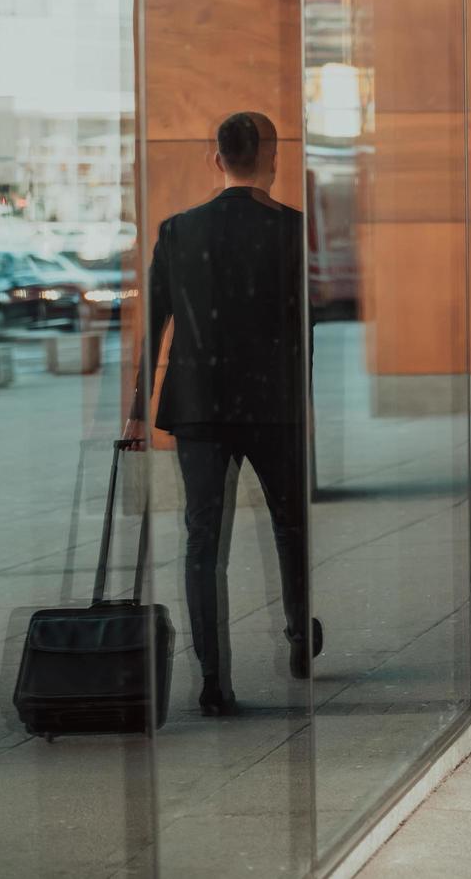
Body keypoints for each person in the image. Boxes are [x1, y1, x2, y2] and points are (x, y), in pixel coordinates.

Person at [125, 111, 321, 717]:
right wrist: (300, 398)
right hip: (273, 405)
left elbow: (155, 321)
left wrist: (137, 412)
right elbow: (304, 327)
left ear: (217, 160)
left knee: (202, 541)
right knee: (291, 530)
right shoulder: (292, 229)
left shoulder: (178, 230)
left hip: (200, 406)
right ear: (274, 158)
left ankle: (214, 679)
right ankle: (296, 639)